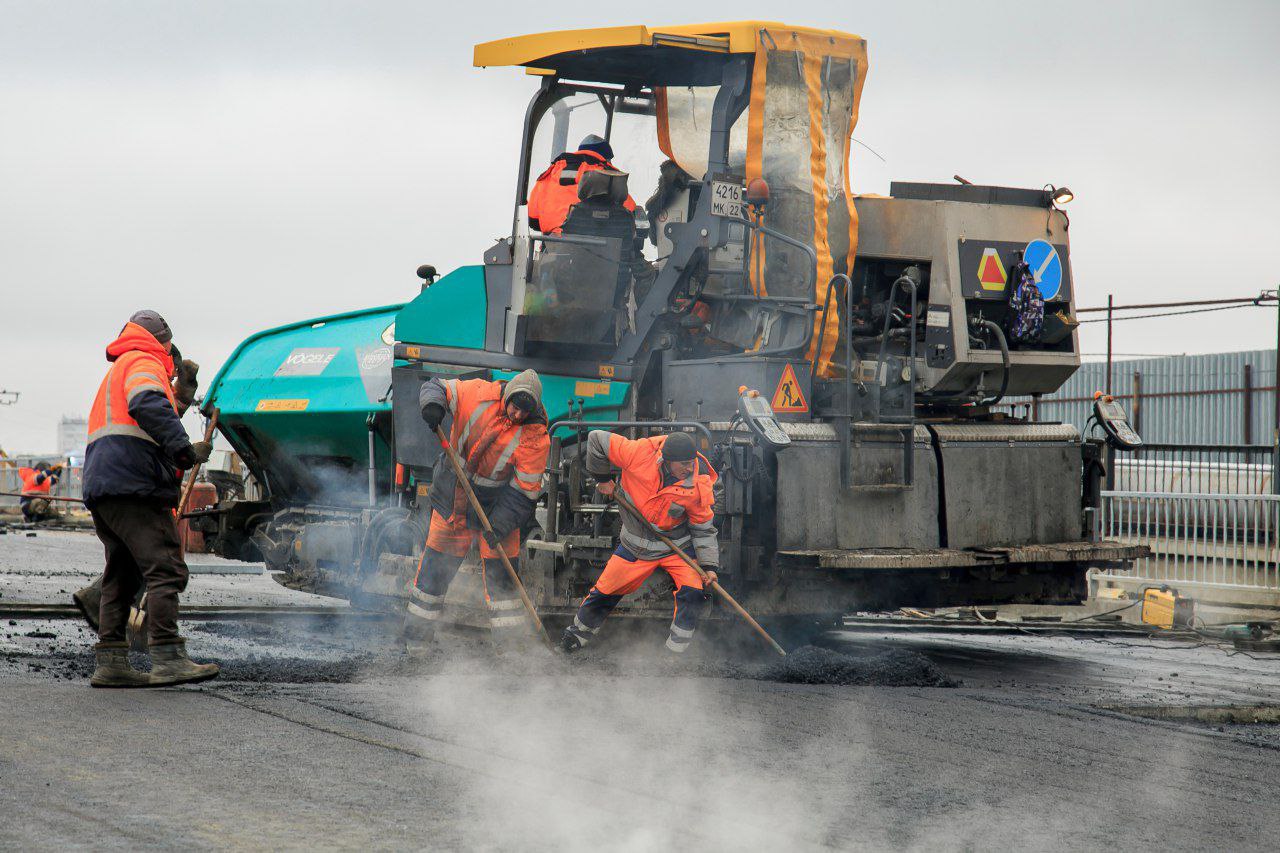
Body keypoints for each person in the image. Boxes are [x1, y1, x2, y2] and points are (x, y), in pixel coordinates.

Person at [81, 309, 217, 688]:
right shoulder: (145, 359)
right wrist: (185, 451)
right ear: (165, 343)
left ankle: (111, 661)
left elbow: (146, 412)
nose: (172, 372)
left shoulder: (121, 366)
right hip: (134, 485)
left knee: (121, 574)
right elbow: (147, 405)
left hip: (106, 486)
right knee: (166, 568)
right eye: (172, 364)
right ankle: (168, 654)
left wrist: (181, 402)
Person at [402, 369, 549, 648]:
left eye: (524, 412)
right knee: (432, 577)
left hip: (496, 509)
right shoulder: (478, 394)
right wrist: (433, 407)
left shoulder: (535, 436)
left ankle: (511, 654)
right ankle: (416, 647)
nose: (517, 415)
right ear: (506, 396)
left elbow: (524, 492)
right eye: (515, 407)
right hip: (452, 500)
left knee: (504, 584)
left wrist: (500, 525)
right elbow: (437, 386)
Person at [560, 430, 719, 655]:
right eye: (683, 463)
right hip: (635, 546)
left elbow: (703, 528)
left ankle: (674, 654)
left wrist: (709, 567)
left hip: (676, 548)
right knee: (604, 593)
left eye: (690, 462)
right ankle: (574, 638)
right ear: (667, 460)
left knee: (694, 591)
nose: (689, 467)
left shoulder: (698, 485)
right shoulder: (639, 453)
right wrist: (603, 479)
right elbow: (596, 439)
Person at [527, 134, 636, 235]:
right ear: (606, 158)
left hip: (554, 248)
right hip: (601, 249)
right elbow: (630, 215)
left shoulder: (549, 174)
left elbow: (533, 221)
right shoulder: (607, 175)